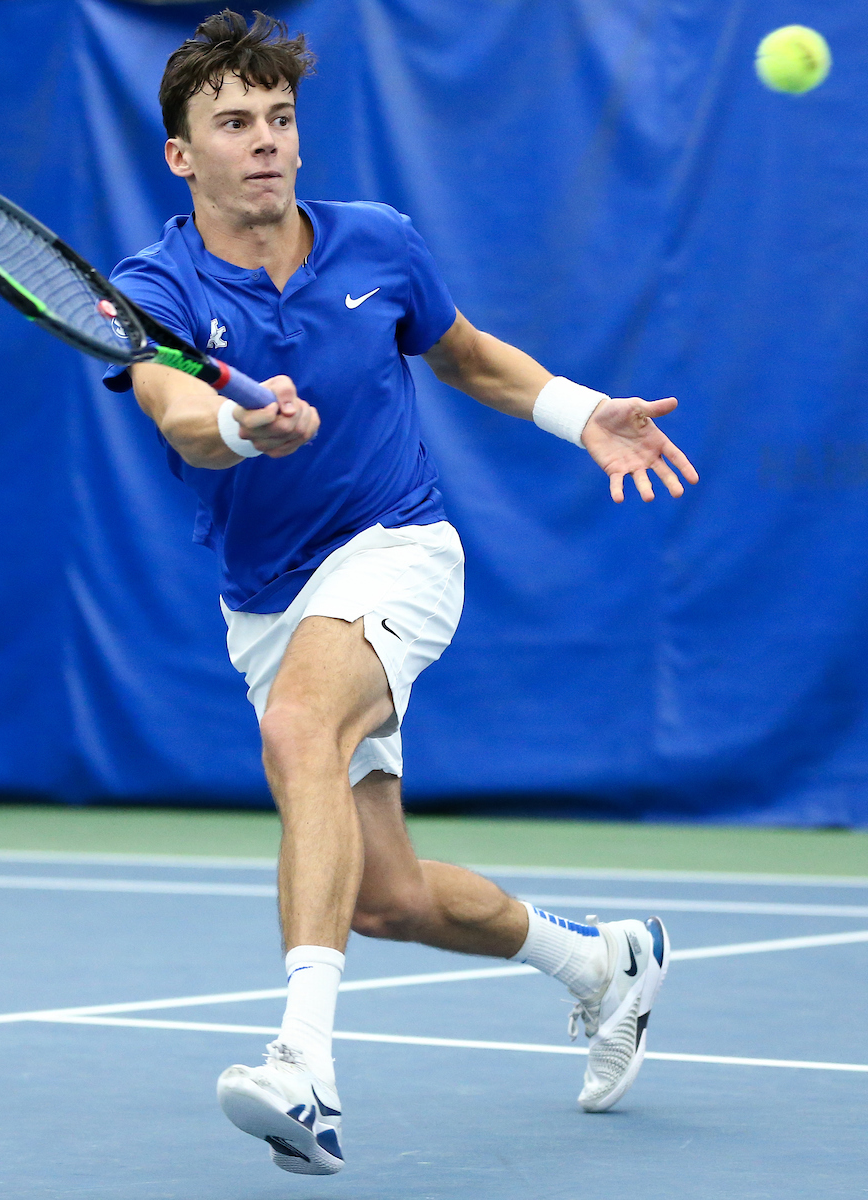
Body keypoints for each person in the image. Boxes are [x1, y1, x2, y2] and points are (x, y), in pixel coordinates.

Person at [104, 9, 697, 1177]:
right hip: (265, 600)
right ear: (183, 155)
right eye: (233, 123)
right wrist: (240, 421)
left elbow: (467, 353)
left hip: (397, 547)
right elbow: (178, 417)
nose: (265, 140)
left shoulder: (377, 242)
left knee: (298, 730)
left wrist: (583, 416)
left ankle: (306, 1072)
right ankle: (605, 962)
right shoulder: (151, 287)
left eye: (279, 118)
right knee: (385, 896)